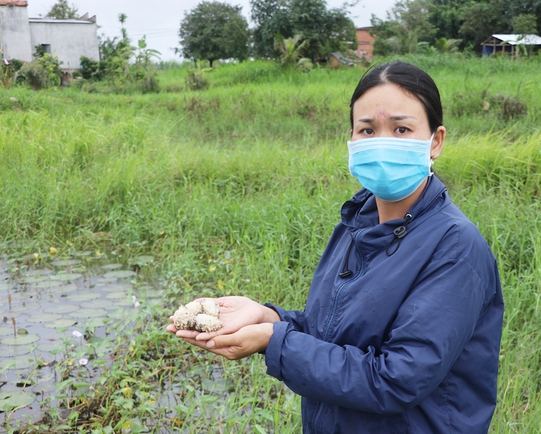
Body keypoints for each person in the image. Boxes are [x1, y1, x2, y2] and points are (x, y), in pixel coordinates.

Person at [167, 61, 504, 433]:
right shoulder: (358, 222)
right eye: (368, 130)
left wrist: (271, 341)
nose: (382, 142)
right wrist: (269, 318)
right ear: (352, 139)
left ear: (435, 141)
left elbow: (395, 380)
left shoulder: (454, 247)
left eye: (401, 128)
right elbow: (331, 333)